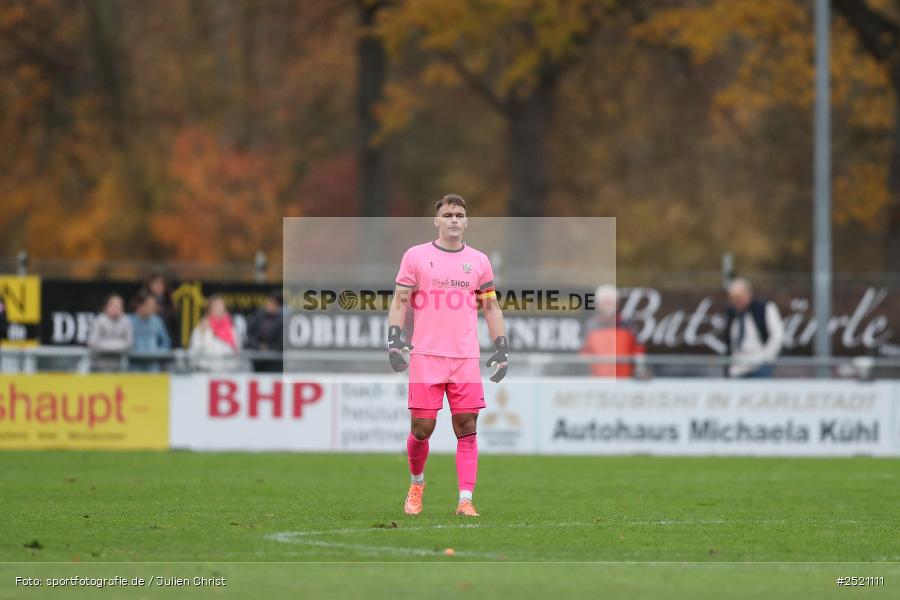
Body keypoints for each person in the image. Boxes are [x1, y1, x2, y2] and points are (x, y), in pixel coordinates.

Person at [388, 194, 507, 518]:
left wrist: (501, 347)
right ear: (437, 221)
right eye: (448, 214)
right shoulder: (416, 256)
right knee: (422, 428)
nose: (454, 219)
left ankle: (465, 499)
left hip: (465, 358)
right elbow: (400, 300)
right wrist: (394, 341)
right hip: (426, 355)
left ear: (466, 222)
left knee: (466, 425)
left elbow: (491, 305)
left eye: (459, 215)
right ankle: (417, 483)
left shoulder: (479, 261)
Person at [580, 284, 645, 378]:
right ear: (598, 304)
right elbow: (584, 354)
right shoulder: (590, 326)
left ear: (617, 304)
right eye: (605, 302)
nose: (608, 306)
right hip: (597, 380)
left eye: (611, 302)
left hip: (624, 380)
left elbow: (638, 353)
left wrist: (639, 371)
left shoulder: (628, 325)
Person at [725, 278, 784, 378]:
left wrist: (766, 359)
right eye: (733, 298)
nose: (736, 301)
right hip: (737, 370)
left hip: (759, 368)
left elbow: (777, 335)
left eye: (739, 297)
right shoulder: (732, 314)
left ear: (748, 294)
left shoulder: (764, 308)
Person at [189, 295, 243, 372]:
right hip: (205, 374)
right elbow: (194, 351)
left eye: (221, 306)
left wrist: (233, 365)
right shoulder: (201, 328)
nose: (219, 309)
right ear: (209, 309)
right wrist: (203, 366)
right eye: (216, 306)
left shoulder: (232, 328)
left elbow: (238, 350)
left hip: (229, 373)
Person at [87, 294, 134, 372]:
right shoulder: (99, 320)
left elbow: (129, 343)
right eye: (114, 305)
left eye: (119, 305)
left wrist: (105, 344)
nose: (116, 308)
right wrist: (119, 344)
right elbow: (92, 343)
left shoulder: (126, 321)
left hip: (119, 366)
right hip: (98, 366)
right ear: (107, 306)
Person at [129, 291, 172, 372]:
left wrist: (159, 352)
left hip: (153, 365)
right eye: (150, 305)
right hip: (134, 365)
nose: (154, 307)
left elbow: (166, 341)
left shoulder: (157, 321)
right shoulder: (129, 321)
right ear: (140, 306)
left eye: (154, 304)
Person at [247, 290, 284, 372]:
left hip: (275, 363)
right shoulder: (258, 316)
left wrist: (269, 349)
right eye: (269, 302)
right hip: (257, 361)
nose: (270, 305)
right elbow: (250, 334)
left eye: (274, 303)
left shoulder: (282, 320)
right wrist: (259, 347)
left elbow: (281, 342)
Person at [140, 270, 178, 347]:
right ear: (149, 285)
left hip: (165, 350)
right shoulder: (140, 303)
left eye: (162, 283)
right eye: (156, 283)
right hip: (144, 348)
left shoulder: (170, 307)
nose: (159, 286)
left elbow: (175, 333)